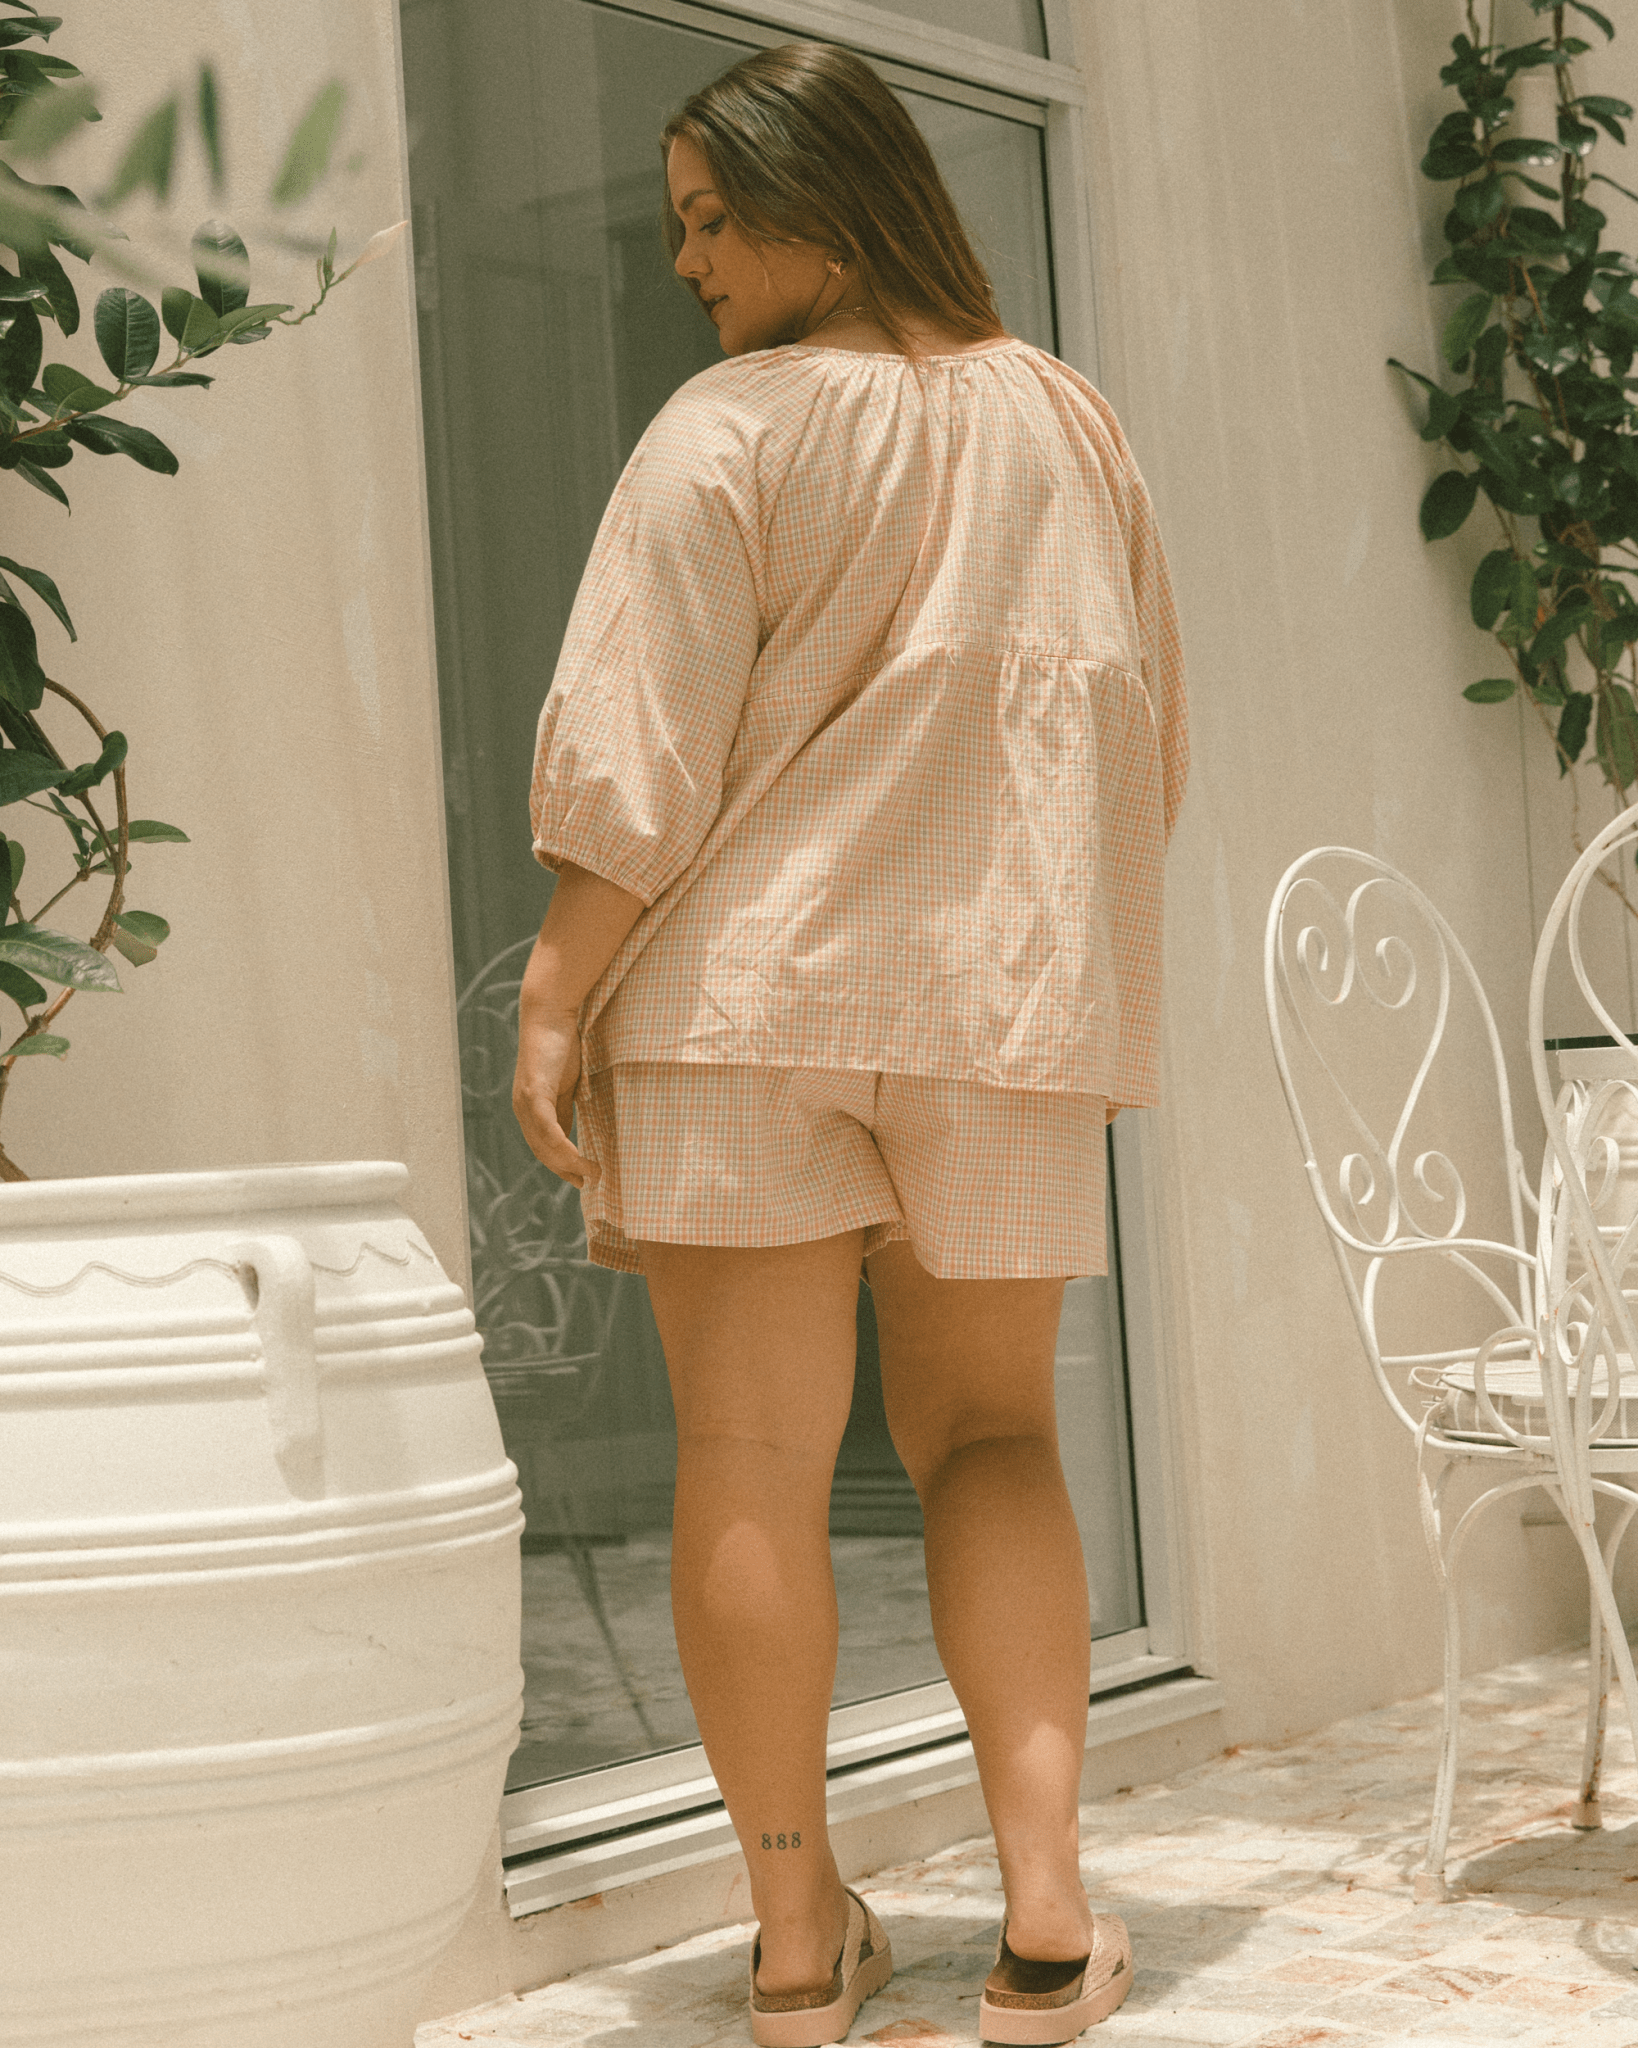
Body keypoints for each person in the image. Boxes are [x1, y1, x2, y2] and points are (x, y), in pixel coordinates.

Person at [512, 39, 1187, 2048]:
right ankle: (1045, 1928)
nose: (687, 261)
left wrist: (554, 987)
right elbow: (1135, 727)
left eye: (715, 218)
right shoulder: (1070, 423)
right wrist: (1056, 944)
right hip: (996, 1001)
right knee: (994, 1437)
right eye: (681, 227)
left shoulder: (724, 433)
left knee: (746, 1456)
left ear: (828, 199)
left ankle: (797, 1951)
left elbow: (639, 740)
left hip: (738, 1005)